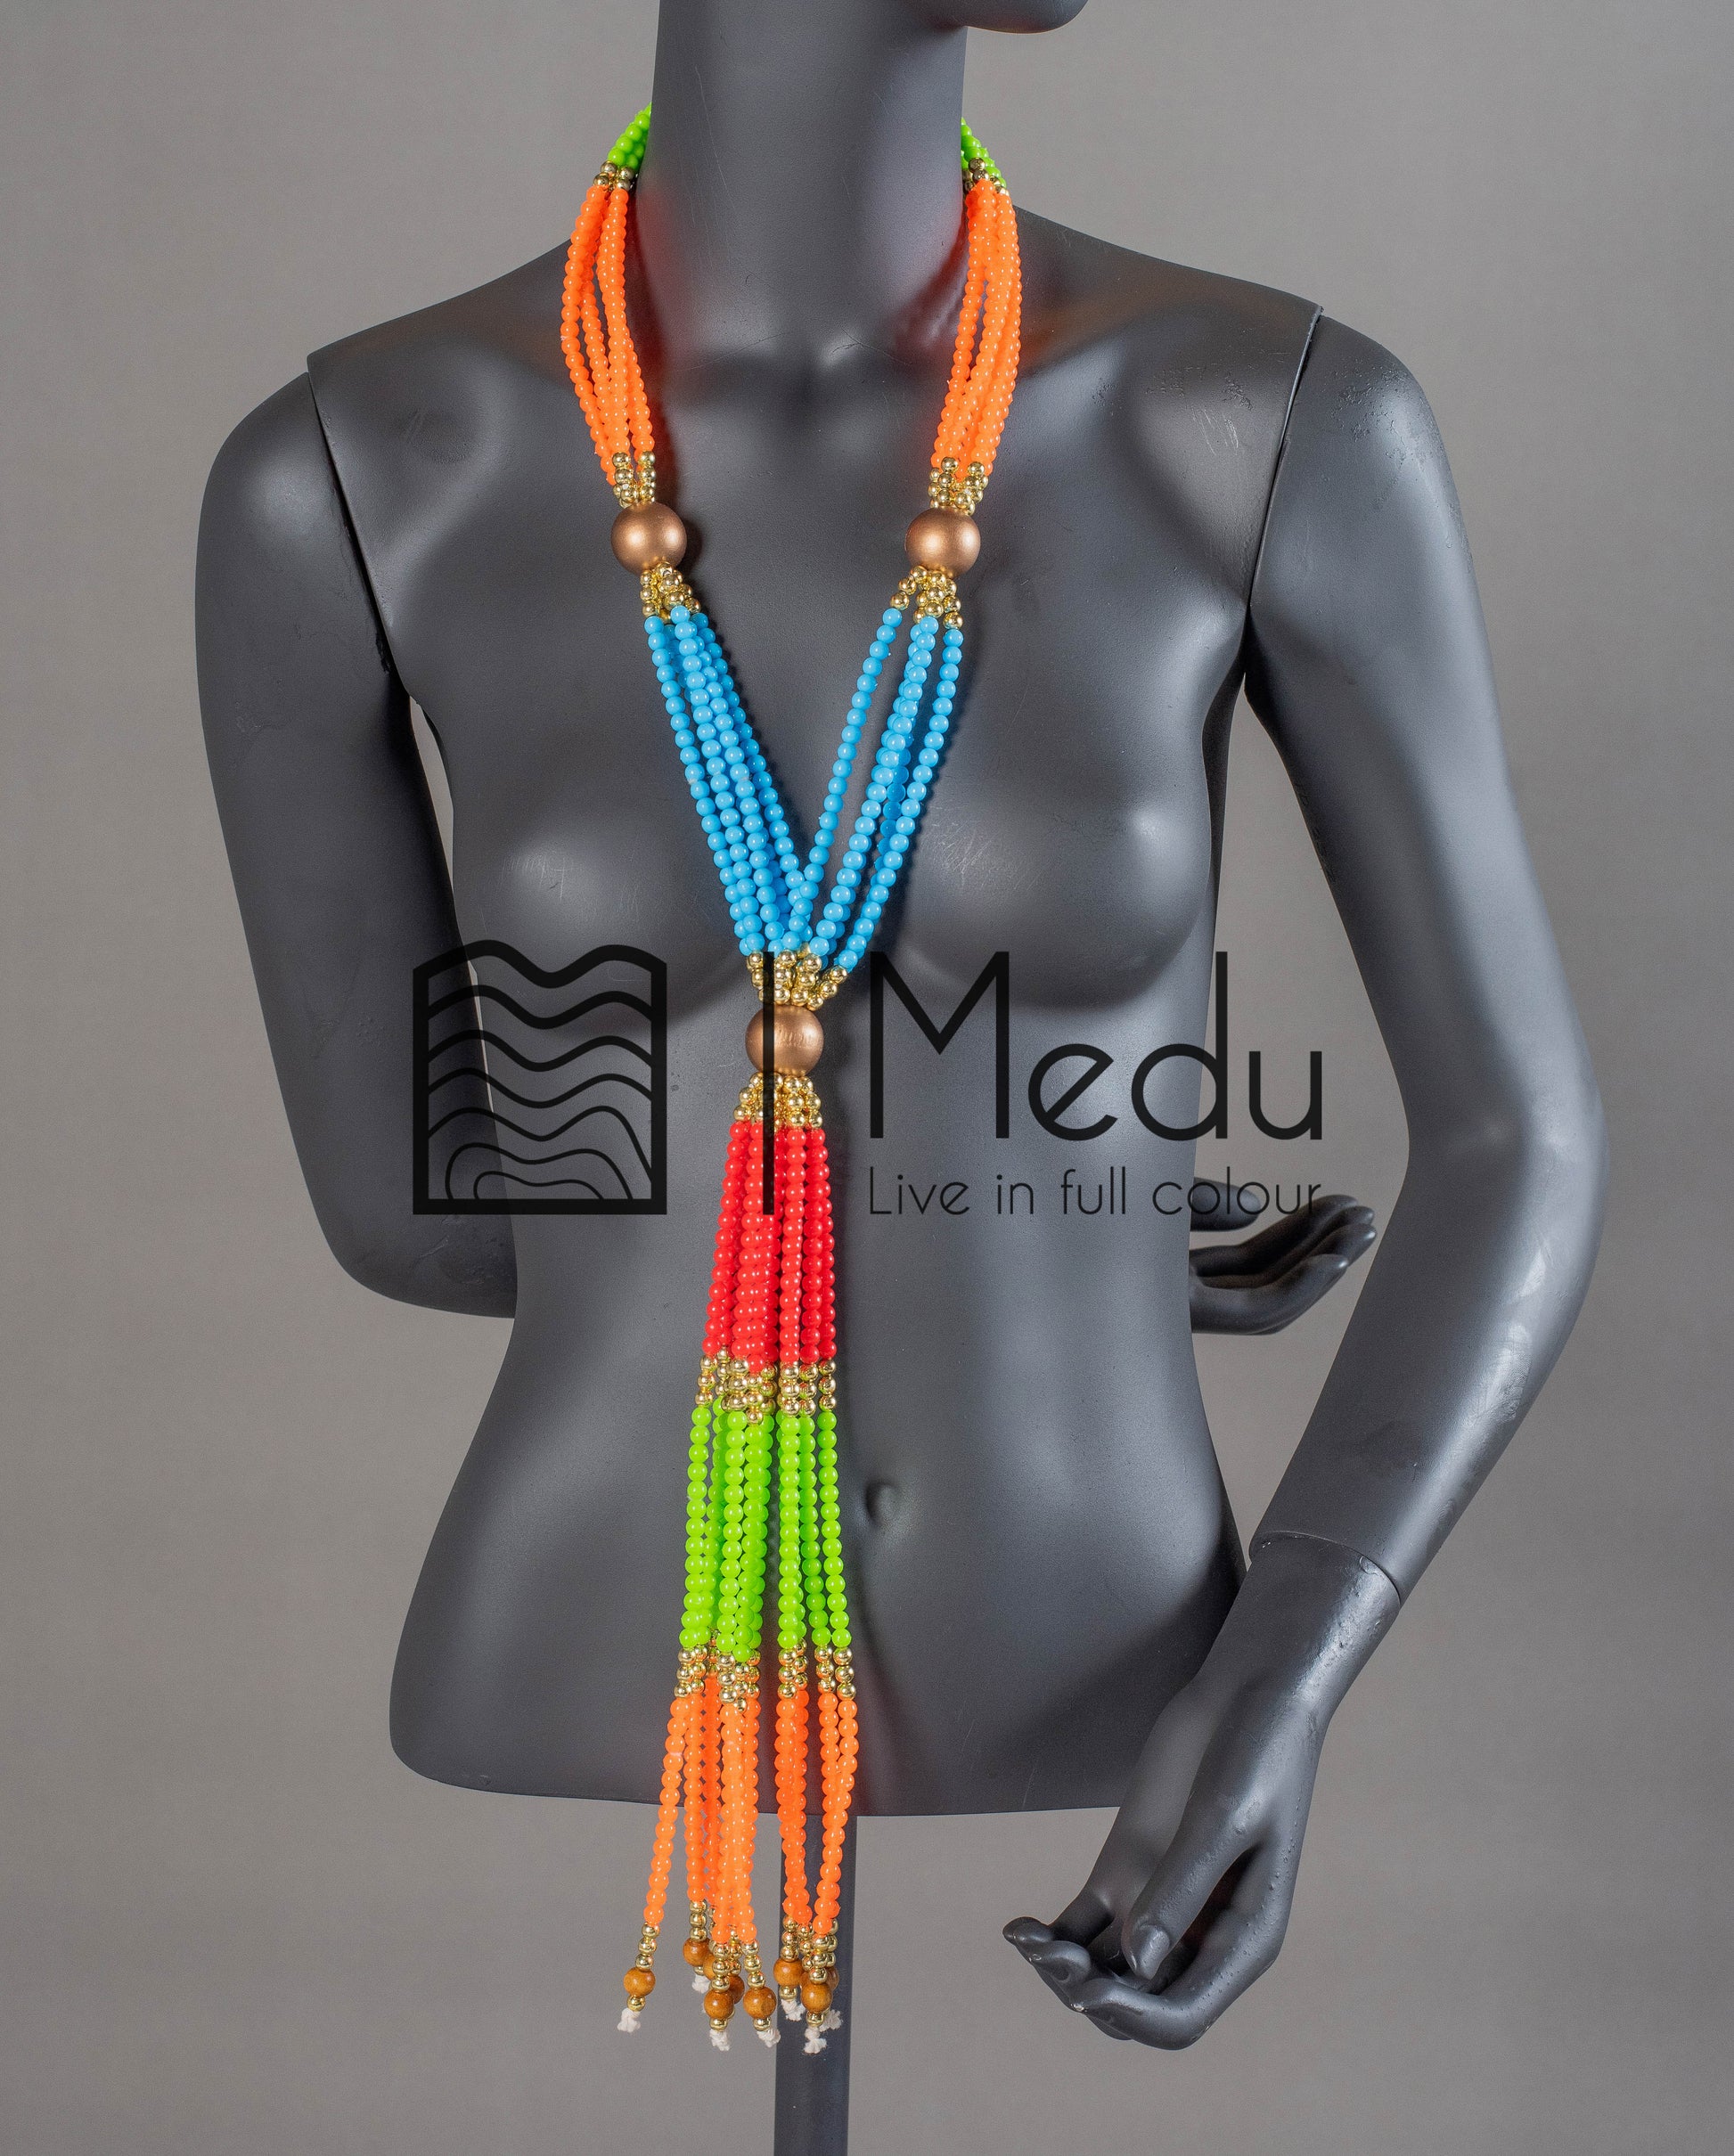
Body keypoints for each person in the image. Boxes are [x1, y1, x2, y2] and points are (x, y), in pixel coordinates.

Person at [197, 0, 1605, 2052]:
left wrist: (1283, 1667)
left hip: (1098, 1630)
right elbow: (414, 1211)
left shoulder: (1258, 423)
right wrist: (1013, 1217)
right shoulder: (351, 475)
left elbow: (1517, 1139)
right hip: (591, 1628)